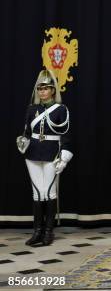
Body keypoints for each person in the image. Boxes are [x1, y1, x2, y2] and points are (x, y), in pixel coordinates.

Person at [17, 69, 72, 246]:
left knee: (49, 192)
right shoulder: (32, 108)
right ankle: (37, 231)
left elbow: (66, 134)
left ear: (52, 91)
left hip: (51, 152)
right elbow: (26, 132)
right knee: (37, 193)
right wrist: (22, 141)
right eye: (40, 89)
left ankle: (49, 232)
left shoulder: (61, 109)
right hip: (32, 152)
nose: (42, 92)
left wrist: (63, 157)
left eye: (46, 88)